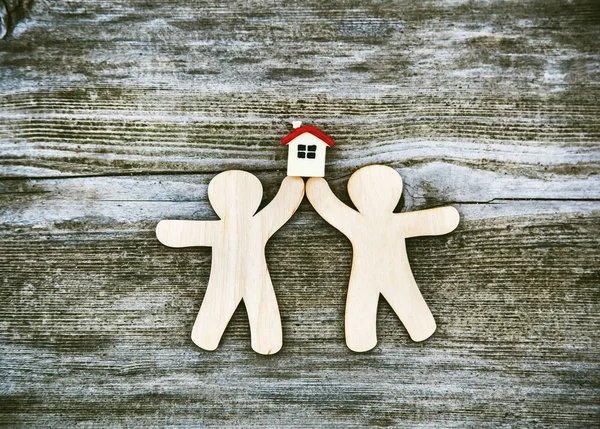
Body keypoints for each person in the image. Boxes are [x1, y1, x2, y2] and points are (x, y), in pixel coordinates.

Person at [306, 165, 459, 352]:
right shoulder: (384, 222)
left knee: (366, 302)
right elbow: (437, 221)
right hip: (387, 271)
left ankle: (365, 338)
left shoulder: (357, 221)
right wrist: (447, 215)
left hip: (375, 272)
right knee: (395, 299)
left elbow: (327, 205)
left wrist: (316, 186)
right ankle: (416, 328)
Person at [156, 171, 305, 355]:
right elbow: (283, 205)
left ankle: (214, 338)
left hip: (238, 276)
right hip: (244, 277)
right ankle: (264, 341)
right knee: (257, 306)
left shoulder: (234, 226)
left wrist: (294, 182)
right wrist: (294, 184)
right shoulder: (259, 223)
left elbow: (177, 233)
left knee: (227, 304)